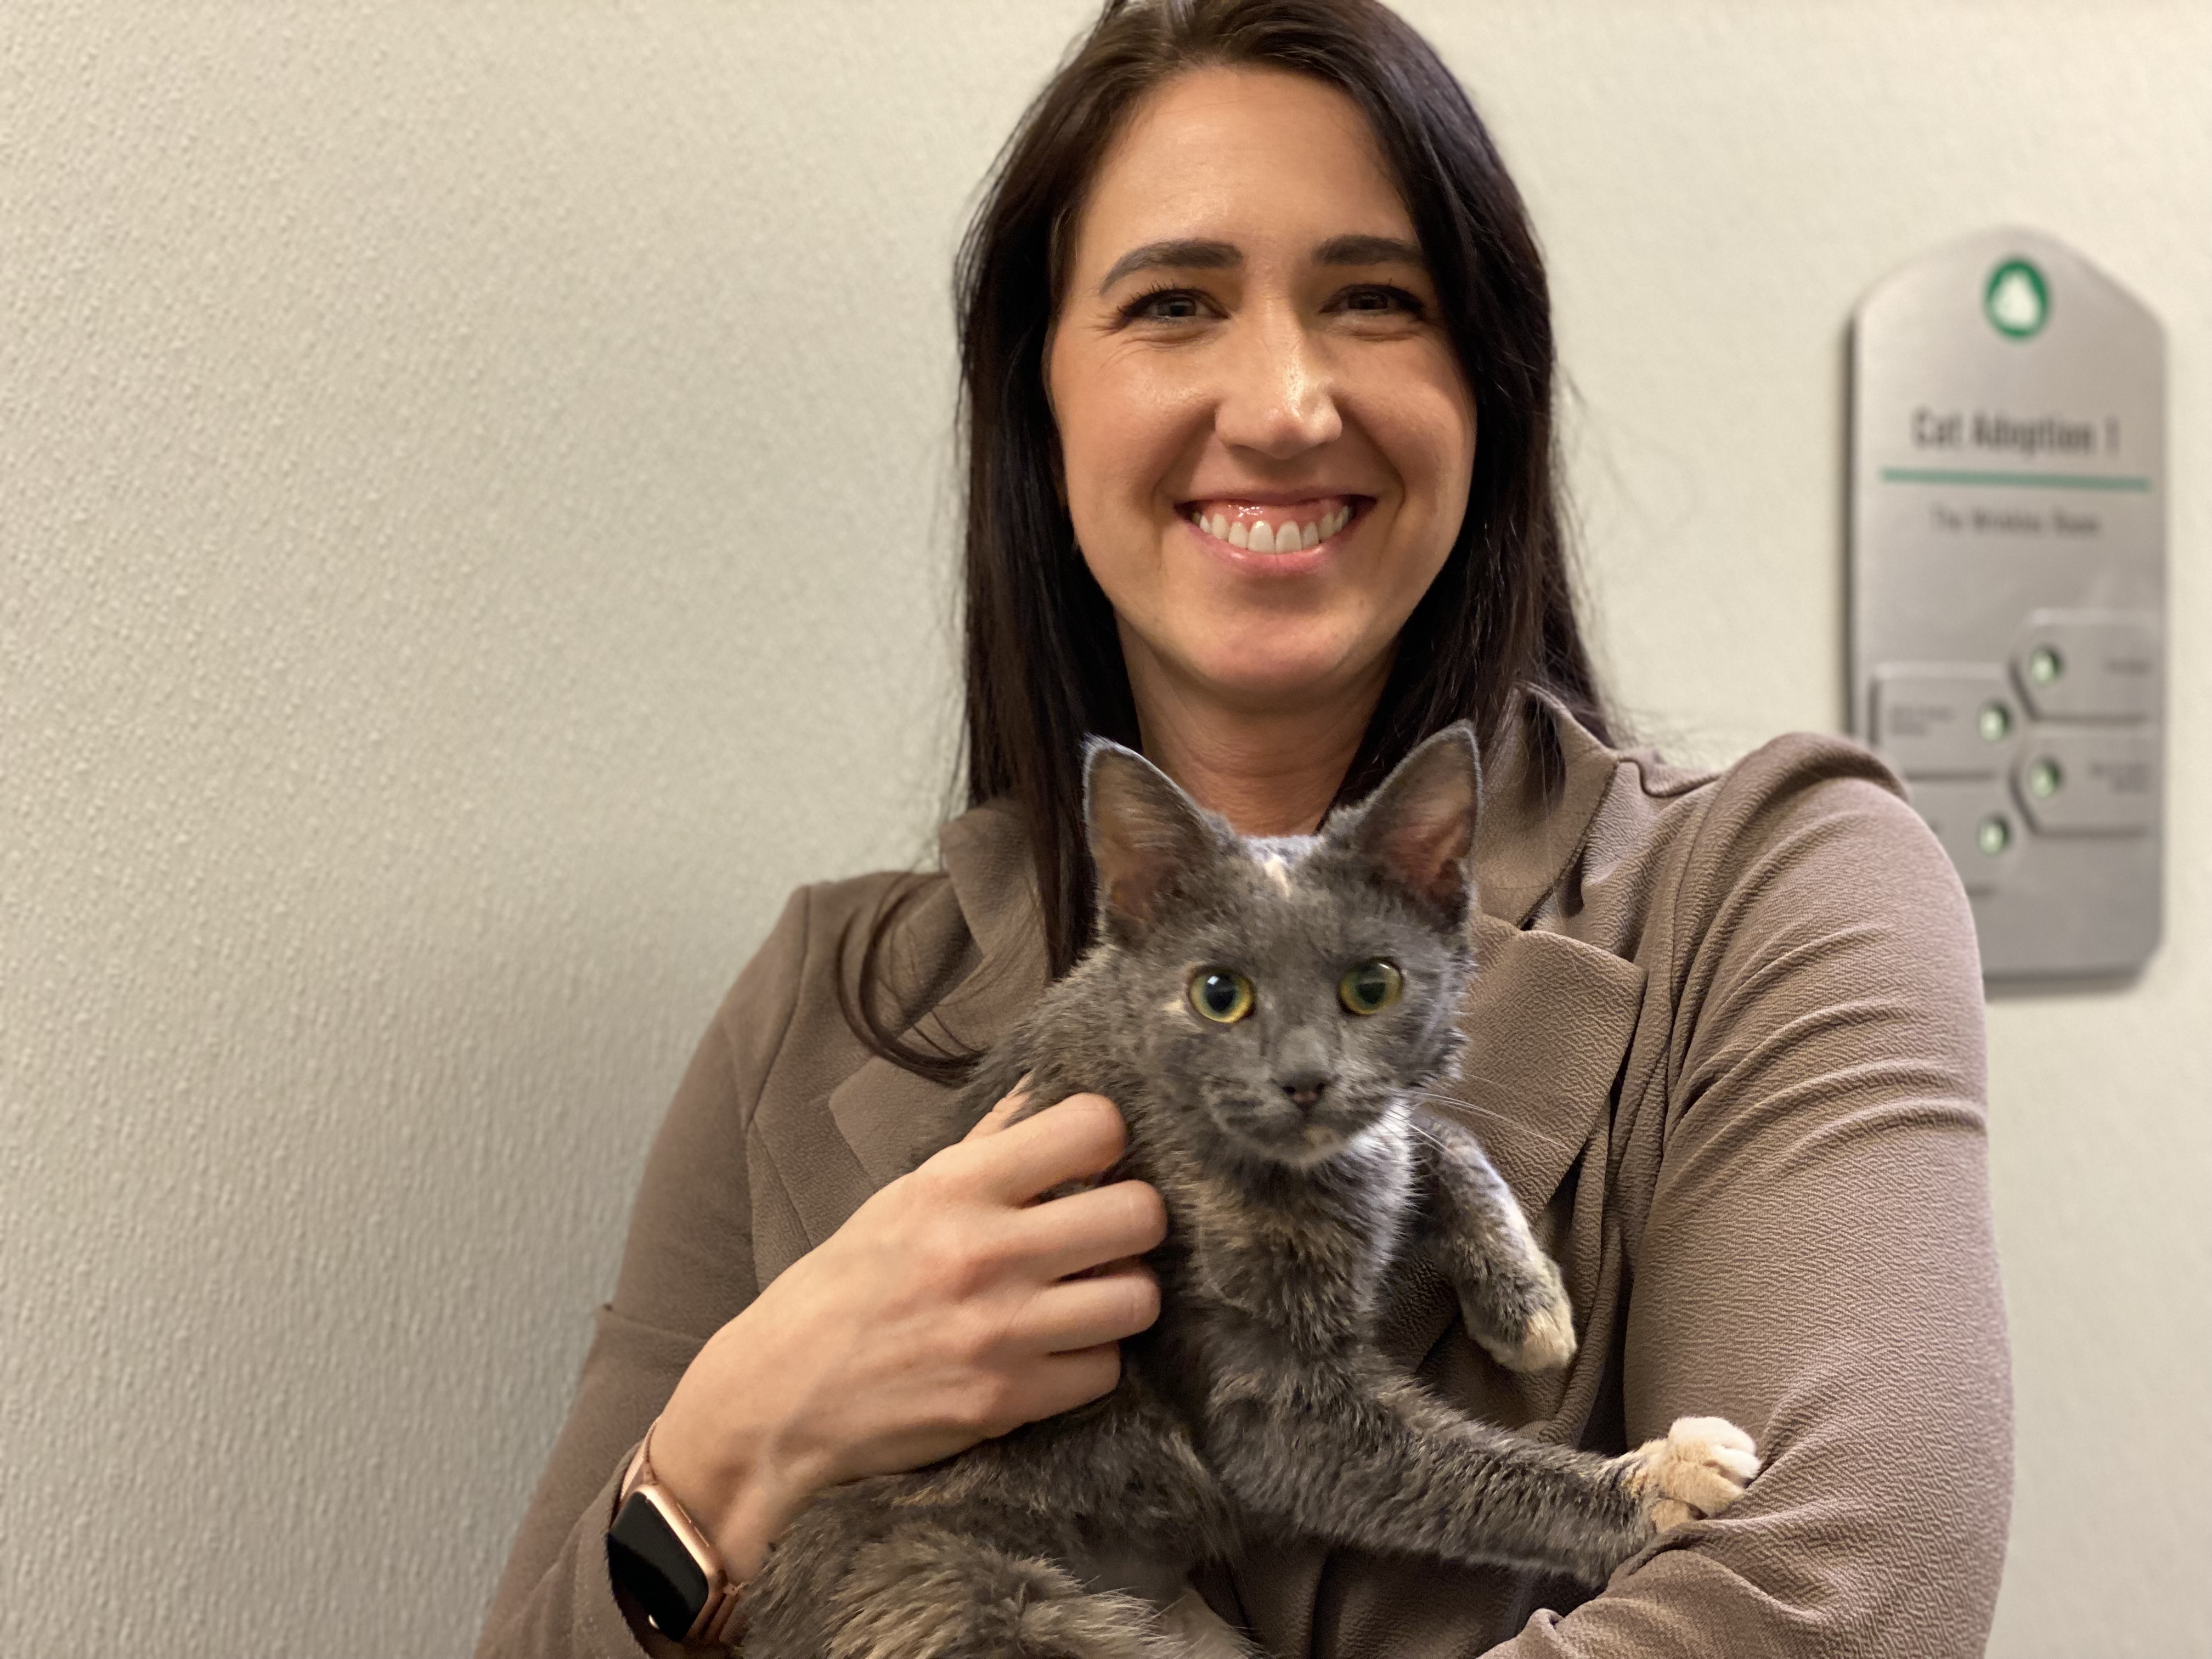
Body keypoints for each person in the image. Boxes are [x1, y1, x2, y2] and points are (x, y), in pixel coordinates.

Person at [473, 1, 2011, 1654]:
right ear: (1039, 399)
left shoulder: (1773, 891)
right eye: (1174, 304)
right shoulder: (821, 998)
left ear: (1483, 387)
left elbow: (1844, 1601)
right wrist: (726, 1449)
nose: (1281, 400)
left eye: (1372, 300)